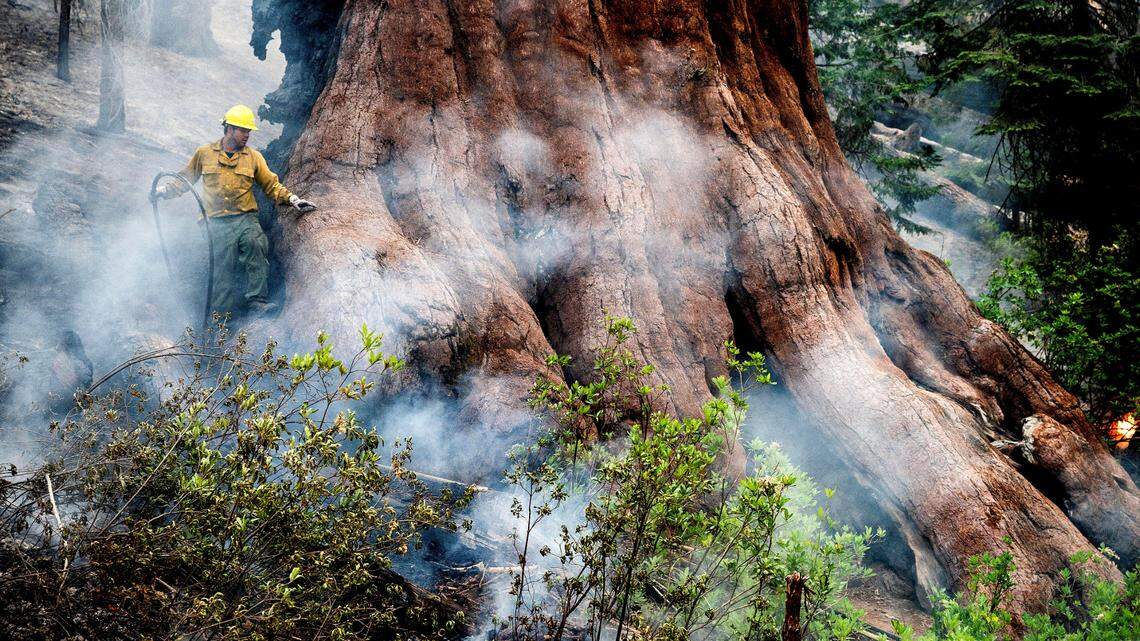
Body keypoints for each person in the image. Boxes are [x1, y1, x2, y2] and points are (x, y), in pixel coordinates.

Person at [153, 104, 315, 316]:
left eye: (248, 131)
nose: (247, 135)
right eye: (243, 130)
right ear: (229, 129)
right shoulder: (204, 154)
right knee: (222, 269)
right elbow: (185, 180)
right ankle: (222, 322)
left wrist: (293, 199)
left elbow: (271, 185)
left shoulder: (254, 157)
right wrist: (163, 191)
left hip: (245, 219)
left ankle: (258, 302)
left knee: (256, 244)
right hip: (215, 221)